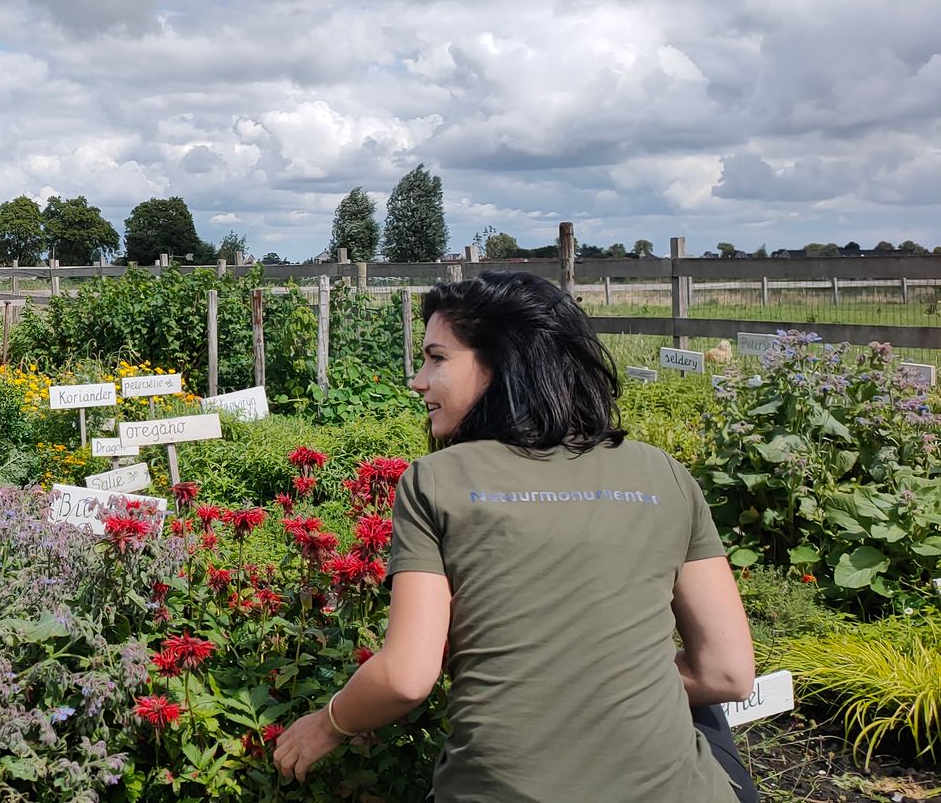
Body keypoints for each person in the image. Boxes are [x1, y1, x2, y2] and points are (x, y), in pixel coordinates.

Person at [272, 271, 760, 803]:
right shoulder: (664, 474)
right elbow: (728, 673)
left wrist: (326, 724)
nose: (418, 380)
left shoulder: (436, 481)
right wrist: (609, 683)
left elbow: (406, 677)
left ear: (503, 362)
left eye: (436, 359)